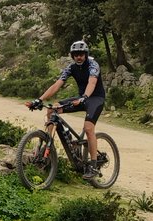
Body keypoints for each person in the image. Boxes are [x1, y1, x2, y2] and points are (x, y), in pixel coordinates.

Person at [24, 40, 106, 178]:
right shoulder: (71, 68)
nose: (78, 57)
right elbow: (57, 85)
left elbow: (92, 82)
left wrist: (85, 96)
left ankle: (93, 165)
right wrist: (39, 100)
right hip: (81, 97)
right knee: (52, 110)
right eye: (75, 55)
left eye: (81, 54)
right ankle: (50, 146)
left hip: (95, 98)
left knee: (88, 128)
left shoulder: (93, 65)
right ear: (72, 56)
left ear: (85, 54)